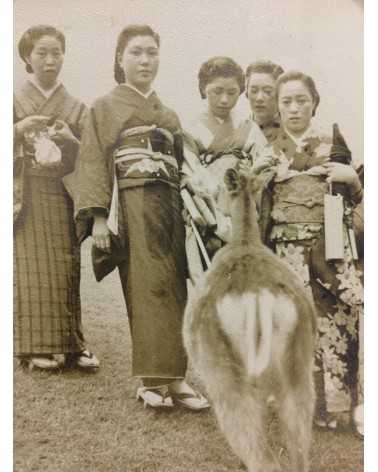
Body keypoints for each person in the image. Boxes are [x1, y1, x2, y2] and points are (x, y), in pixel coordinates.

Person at [73, 24, 208, 410]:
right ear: (120, 59)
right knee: (147, 290)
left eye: (151, 52)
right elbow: (94, 162)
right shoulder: (104, 107)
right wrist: (99, 218)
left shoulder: (168, 113)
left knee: (175, 290)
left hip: (171, 207)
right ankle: (152, 382)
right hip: (132, 204)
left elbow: (186, 166)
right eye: (135, 52)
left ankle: (178, 379)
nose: (145, 60)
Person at [257, 70, 363, 432]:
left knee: (334, 322)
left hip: (328, 247)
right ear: (277, 106)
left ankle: (337, 406)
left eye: (301, 100)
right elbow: (256, 203)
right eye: (286, 101)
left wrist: (353, 179)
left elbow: (355, 197)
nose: (294, 108)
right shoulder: (267, 149)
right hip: (284, 249)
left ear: (314, 103)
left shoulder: (331, 145)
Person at [14, 25, 99, 370]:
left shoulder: (76, 107)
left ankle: (72, 344)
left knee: (66, 268)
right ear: (27, 58)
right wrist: (16, 130)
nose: (50, 60)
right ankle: (33, 348)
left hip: (64, 191)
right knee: (31, 269)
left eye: (56, 53)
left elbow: (91, 156)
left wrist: (71, 139)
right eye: (41, 53)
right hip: (27, 191)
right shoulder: (13, 100)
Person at [182, 57, 267, 280]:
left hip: (243, 206)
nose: (224, 99)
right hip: (207, 209)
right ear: (203, 89)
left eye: (232, 92)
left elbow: (262, 164)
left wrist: (252, 173)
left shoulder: (248, 128)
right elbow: (189, 171)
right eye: (216, 91)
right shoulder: (192, 128)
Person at [245, 60, 284, 143]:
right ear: (247, 93)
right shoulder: (237, 131)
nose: (259, 98)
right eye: (254, 91)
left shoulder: (294, 130)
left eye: (267, 91)